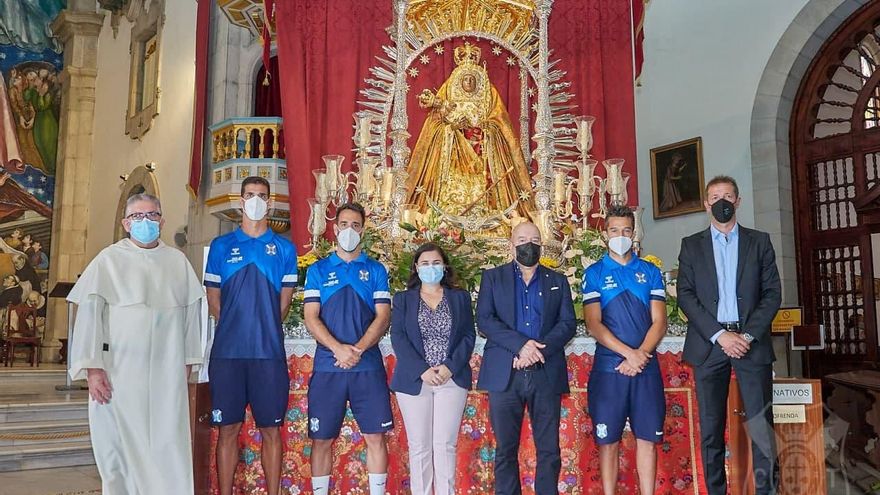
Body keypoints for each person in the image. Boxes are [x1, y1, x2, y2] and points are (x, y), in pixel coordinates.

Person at [67, 193, 204, 494]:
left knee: (167, 440)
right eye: (138, 217)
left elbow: (192, 315)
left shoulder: (177, 262)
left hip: (167, 374)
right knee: (119, 444)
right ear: (126, 223)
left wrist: (188, 362)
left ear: (162, 220)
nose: (145, 222)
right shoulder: (108, 260)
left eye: (152, 215)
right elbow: (90, 317)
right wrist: (92, 368)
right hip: (120, 372)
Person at [677, 175, 781, 495]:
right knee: (711, 429)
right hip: (710, 346)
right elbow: (686, 295)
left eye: (727, 195)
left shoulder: (759, 241)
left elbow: (772, 294)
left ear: (737, 201)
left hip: (751, 344)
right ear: (706, 204)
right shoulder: (691, 245)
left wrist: (746, 335)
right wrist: (720, 335)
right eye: (715, 196)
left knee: (761, 428)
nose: (721, 201)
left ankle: (766, 491)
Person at [205, 176, 298, 495]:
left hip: (268, 355)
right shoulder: (221, 247)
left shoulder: (284, 249)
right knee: (228, 429)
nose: (256, 200)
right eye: (250, 195)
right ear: (240, 200)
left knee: (272, 429)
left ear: (269, 202)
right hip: (227, 354)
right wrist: (235, 325)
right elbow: (213, 299)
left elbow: (283, 304)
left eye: (261, 195)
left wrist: (263, 326)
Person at [476, 221, 576, 495]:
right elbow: (485, 319)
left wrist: (536, 352)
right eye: (521, 239)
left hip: (545, 372)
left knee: (549, 450)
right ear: (511, 245)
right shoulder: (493, 278)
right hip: (506, 374)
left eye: (533, 239)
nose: (527, 245)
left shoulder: (557, 280)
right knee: (505, 449)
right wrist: (521, 347)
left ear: (541, 245)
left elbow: (568, 324)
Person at [303, 202, 392, 495]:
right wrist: (338, 349)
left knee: (375, 437)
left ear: (362, 230)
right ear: (334, 228)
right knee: (321, 439)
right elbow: (311, 317)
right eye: (344, 224)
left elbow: (383, 316)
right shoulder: (317, 270)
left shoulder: (376, 270)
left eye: (356, 225)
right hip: (328, 368)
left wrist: (357, 349)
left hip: (367, 368)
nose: (349, 230)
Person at [582, 204, 667, 495]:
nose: (621, 235)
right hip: (609, 369)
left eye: (626, 230)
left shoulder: (651, 272)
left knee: (647, 438)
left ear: (634, 233)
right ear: (605, 234)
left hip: (646, 368)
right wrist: (628, 354)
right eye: (615, 230)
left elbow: (659, 322)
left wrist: (640, 354)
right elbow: (593, 323)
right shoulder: (593, 274)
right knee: (608, 441)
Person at [390, 242, 476, 495]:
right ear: (416, 268)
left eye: (436, 263)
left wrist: (449, 367)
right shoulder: (404, 299)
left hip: (451, 379)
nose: (431, 268)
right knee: (419, 447)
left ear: (445, 266)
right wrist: (422, 370)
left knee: (445, 444)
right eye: (425, 263)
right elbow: (399, 337)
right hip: (415, 380)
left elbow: (468, 336)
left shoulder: (459, 297)